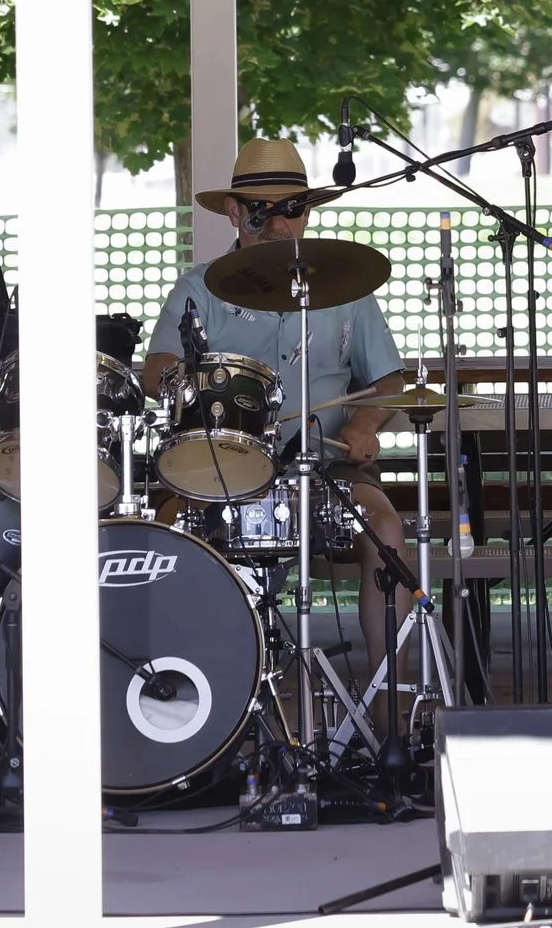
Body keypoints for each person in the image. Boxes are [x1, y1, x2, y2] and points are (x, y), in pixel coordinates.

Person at [144, 139, 413, 693]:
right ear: (236, 213)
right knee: (166, 539)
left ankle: (390, 711)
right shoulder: (202, 287)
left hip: (327, 468)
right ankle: (186, 710)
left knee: (385, 527)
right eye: (264, 211)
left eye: (294, 208)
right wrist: (193, 389)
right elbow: (157, 369)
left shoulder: (346, 288)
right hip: (221, 466)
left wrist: (364, 425)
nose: (281, 224)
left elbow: (390, 380)